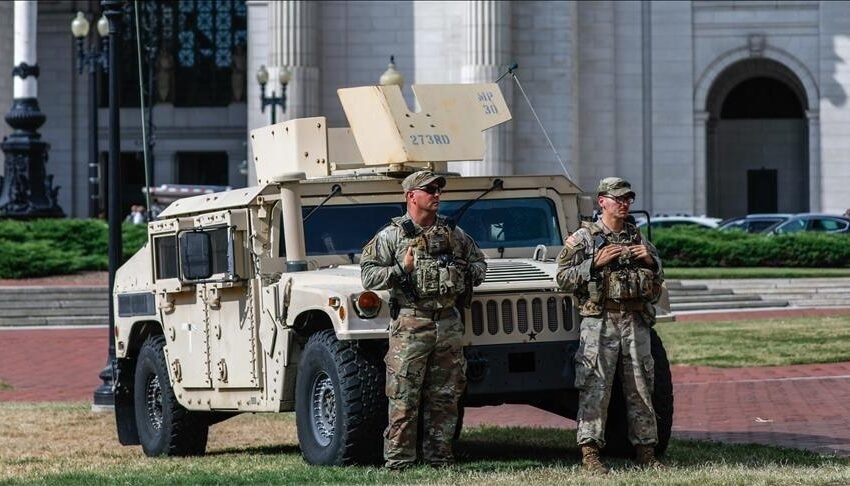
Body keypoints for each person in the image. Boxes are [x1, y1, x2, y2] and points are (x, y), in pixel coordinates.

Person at [361, 170, 487, 470]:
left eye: (438, 190)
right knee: (403, 397)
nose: (436, 195)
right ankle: (399, 462)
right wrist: (401, 269)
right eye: (429, 190)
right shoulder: (391, 236)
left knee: (445, 396)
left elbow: (479, 263)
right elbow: (368, 275)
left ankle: (439, 459)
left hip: (447, 323)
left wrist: (465, 271)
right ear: (411, 196)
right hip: (410, 325)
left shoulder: (454, 234)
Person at [556, 177, 665, 474]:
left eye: (628, 199)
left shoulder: (637, 237)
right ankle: (590, 455)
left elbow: (657, 281)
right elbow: (562, 278)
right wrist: (593, 263)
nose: (624, 203)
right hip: (600, 322)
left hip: (635, 320)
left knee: (642, 387)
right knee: (595, 387)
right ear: (601, 201)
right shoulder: (584, 238)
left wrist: (652, 263)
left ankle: (646, 452)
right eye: (618, 199)